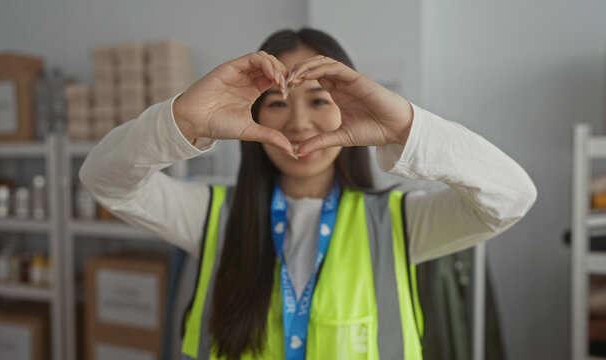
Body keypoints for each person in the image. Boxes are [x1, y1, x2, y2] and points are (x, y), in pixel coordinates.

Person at [79, 28, 537, 360]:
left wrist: (404, 128)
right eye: (277, 103)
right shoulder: (210, 213)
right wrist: (182, 120)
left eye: (319, 100)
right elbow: (105, 180)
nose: (298, 124)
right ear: (254, 115)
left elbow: (512, 197)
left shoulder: (401, 221)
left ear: (352, 105)